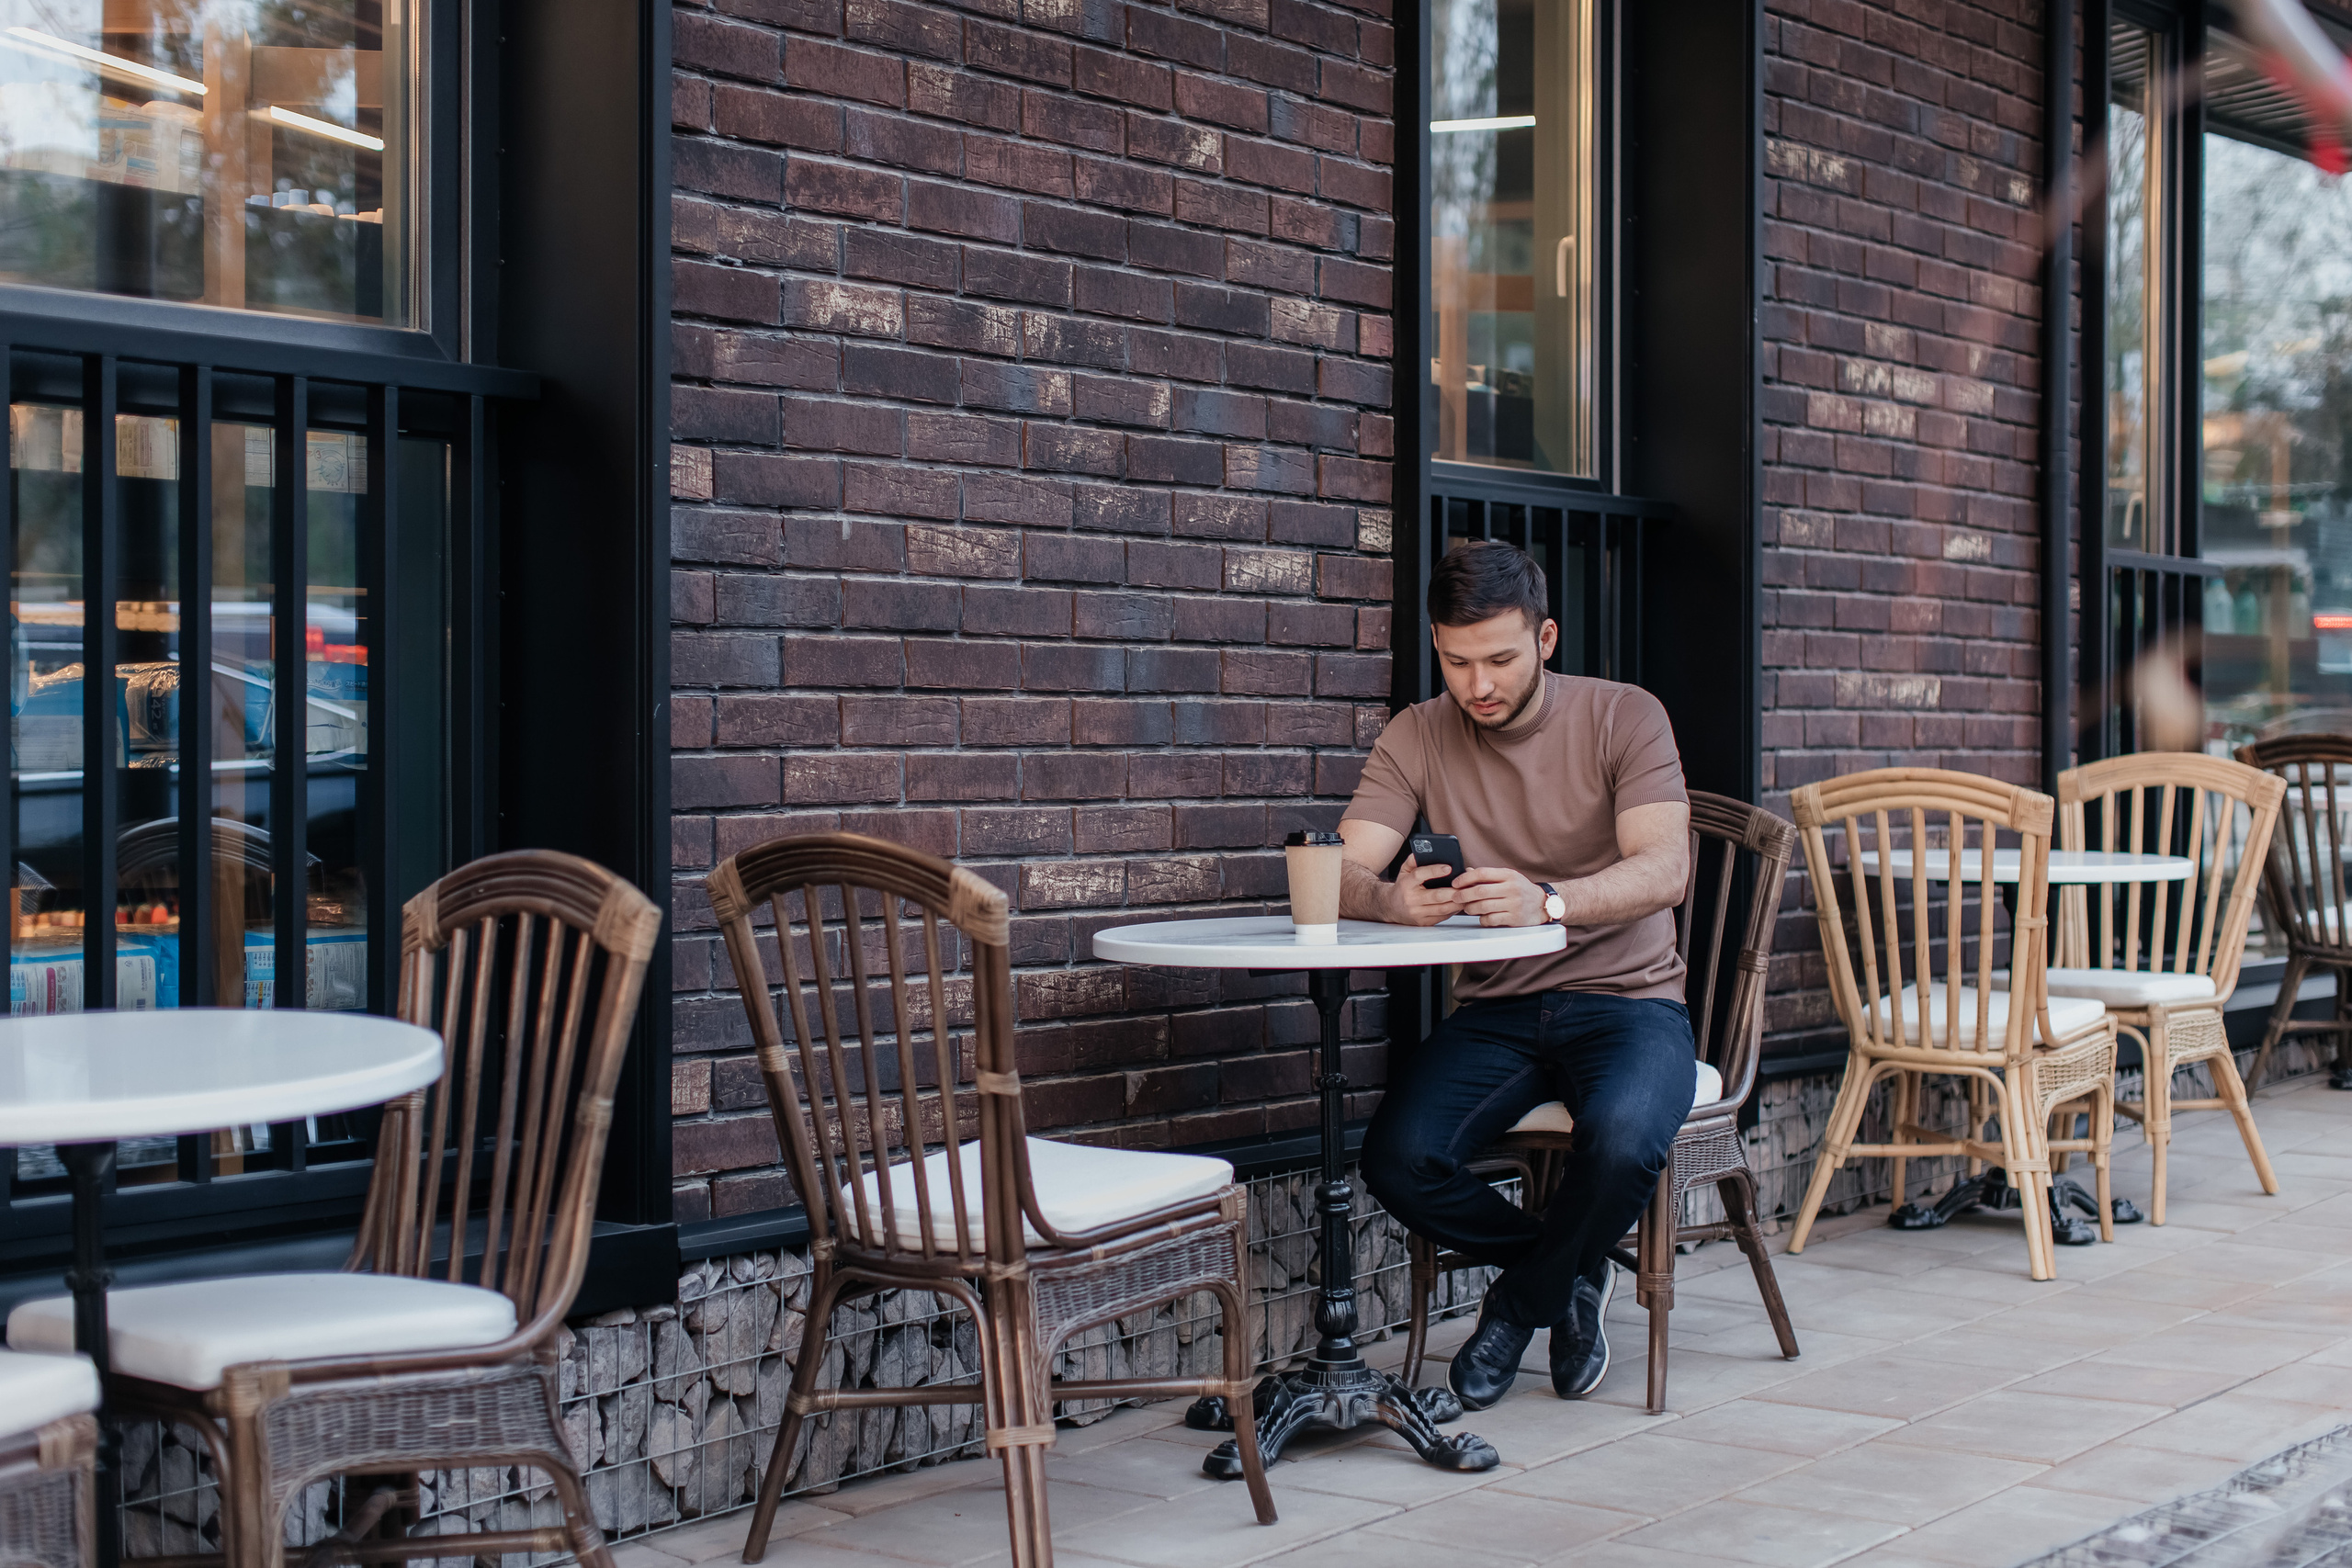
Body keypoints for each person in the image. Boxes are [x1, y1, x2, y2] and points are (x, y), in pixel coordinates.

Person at [1341, 541, 1694, 1409]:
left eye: (1499, 658)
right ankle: (1571, 1273)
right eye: (1456, 661)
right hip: (1497, 1008)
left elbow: (1665, 869)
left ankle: (1516, 1304)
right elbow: (1340, 870)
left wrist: (1549, 902)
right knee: (1396, 1158)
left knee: (1618, 1137)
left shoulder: (1625, 716)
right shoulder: (1417, 732)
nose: (1479, 684)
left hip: (1629, 1000)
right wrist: (1393, 904)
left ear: (1545, 638)